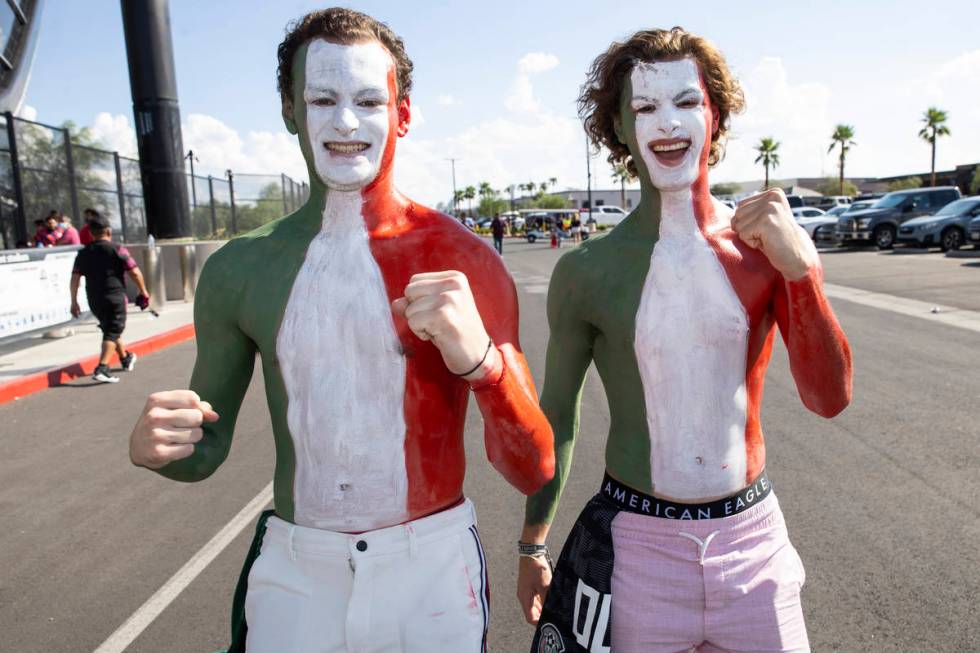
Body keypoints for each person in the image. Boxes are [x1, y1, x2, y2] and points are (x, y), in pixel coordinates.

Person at [127, 8, 554, 652]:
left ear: (402, 114)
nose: (345, 122)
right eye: (322, 99)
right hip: (299, 567)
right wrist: (160, 449)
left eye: (367, 100)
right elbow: (205, 453)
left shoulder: (464, 260)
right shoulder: (241, 268)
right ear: (291, 111)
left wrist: (482, 367)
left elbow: (534, 468)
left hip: (431, 568)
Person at [519, 27, 852, 653]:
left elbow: (829, 398)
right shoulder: (586, 271)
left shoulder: (767, 251)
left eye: (686, 102)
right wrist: (533, 542)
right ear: (618, 128)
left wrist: (801, 274)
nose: (667, 124)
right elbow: (557, 418)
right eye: (644, 107)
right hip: (638, 547)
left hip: (752, 540)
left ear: (715, 114)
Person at [70, 214, 150, 383]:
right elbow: (134, 271)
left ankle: (125, 358)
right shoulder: (117, 249)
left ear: (91, 234)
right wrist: (143, 290)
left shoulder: (83, 253)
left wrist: (74, 301)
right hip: (115, 297)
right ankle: (102, 368)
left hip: (94, 299)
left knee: (111, 329)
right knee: (113, 331)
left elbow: (75, 278)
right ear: (108, 230)